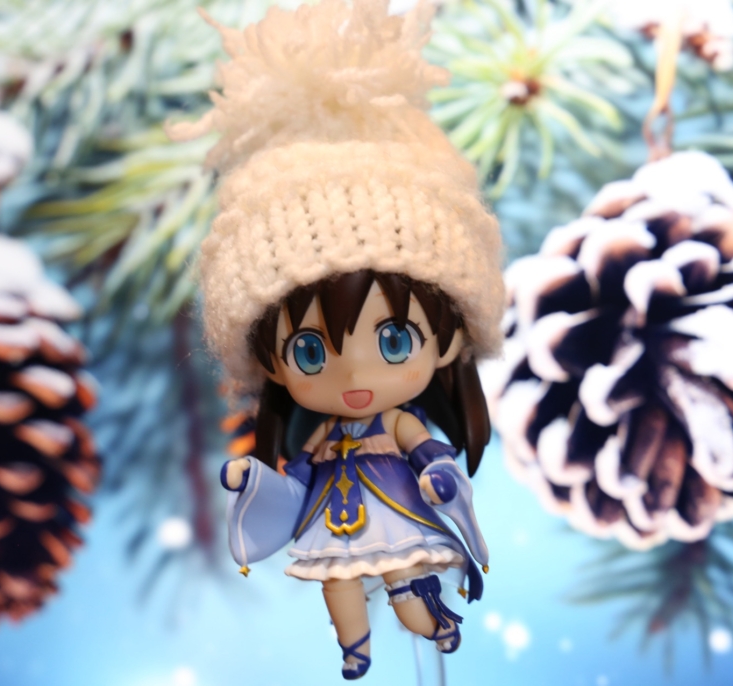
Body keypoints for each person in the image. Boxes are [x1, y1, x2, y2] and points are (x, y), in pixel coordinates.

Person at [168, 0, 505, 679]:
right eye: (311, 352)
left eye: (394, 342)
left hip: (396, 505)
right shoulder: (320, 438)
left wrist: (435, 468)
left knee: (405, 575)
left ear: (447, 342)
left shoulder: (398, 426)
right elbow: (292, 483)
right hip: (335, 514)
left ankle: (429, 617)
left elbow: (425, 449)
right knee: (338, 581)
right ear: (270, 362)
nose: (354, 379)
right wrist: (256, 481)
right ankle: (356, 645)